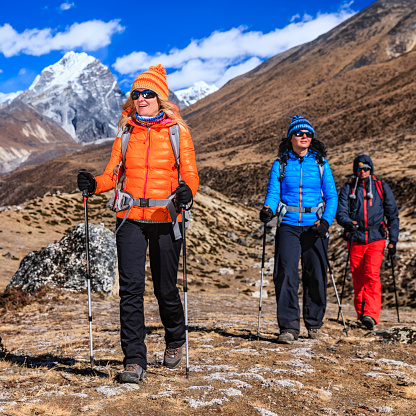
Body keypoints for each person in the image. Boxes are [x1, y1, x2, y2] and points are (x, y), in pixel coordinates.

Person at [77, 64, 199, 383]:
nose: (141, 99)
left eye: (148, 93)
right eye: (136, 94)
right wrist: (95, 183)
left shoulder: (177, 131)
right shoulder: (126, 130)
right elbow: (113, 173)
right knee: (131, 289)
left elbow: (190, 174)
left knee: (165, 289)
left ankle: (175, 338)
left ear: (160, 97)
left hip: (166, 216)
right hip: (129, 217)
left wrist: (188, 191)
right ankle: (134, 359)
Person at [259, 115, 338, 343]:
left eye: (308, 134)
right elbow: (274, 193)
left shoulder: (321, 163)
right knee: (285, 275)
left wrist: (325, 222)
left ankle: (314, 324)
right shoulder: (281, 163)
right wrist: (268, 209)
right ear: (291, 137)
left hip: (315, 226)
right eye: (299, 133)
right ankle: (288, 328)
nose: (304, 137)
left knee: (316, 274)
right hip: (289, 225)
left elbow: (331, 196)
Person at [336, 155, 399, 330]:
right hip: (355, 238)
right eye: (359, 169)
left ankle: (370, 314)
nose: (362, 172)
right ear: (355, 171)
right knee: (358, 277)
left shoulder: (381, 187)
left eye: (366, 169)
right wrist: (348, 223)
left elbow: (392, 215)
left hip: (376, 238)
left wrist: (393, 240)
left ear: (371, 170)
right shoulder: (348, 188)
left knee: (371, 275)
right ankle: (362, 313)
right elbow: (340, 212)